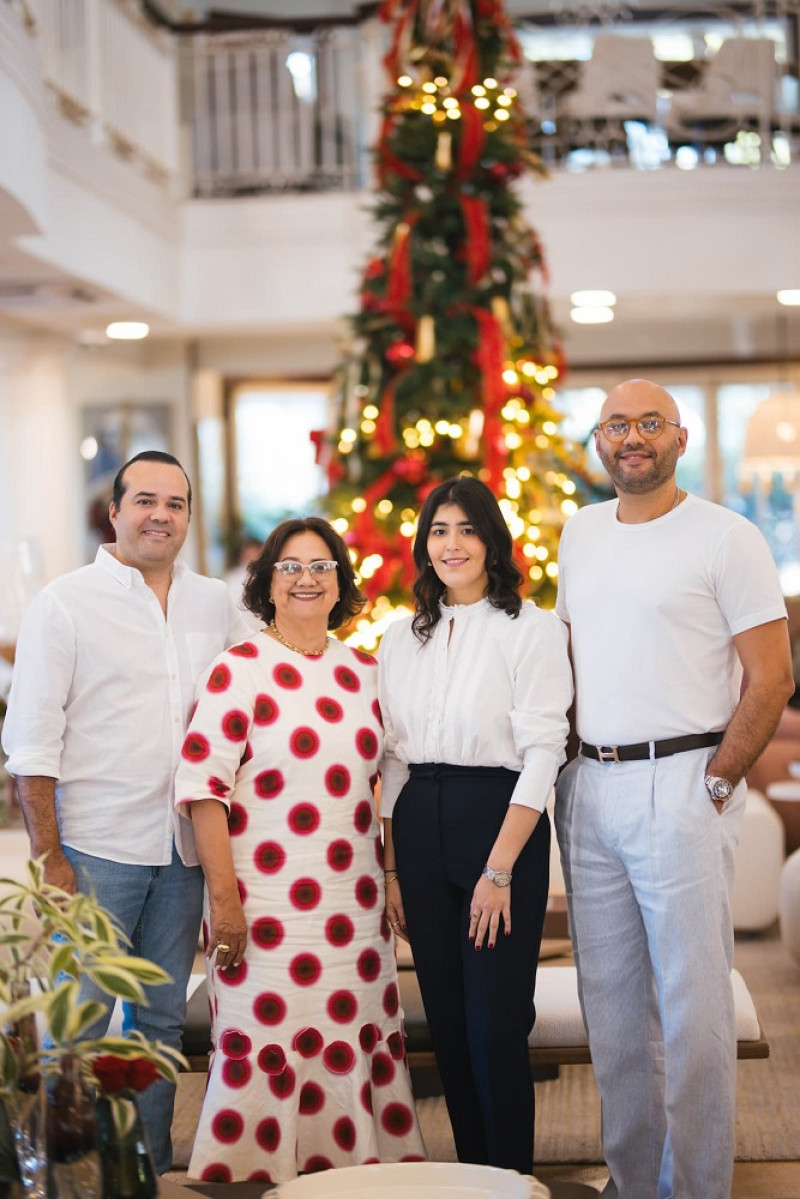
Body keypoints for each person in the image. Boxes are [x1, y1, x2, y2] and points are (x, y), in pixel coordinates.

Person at [555, 379, 794, 1199]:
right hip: (589, 786)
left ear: (681, 437)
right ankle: (630, 1183)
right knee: (614, 1016)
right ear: (599, 440)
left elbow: (772, 677)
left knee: (693, 1014)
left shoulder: (727, 538)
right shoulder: (579, 532)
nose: (633, 437)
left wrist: (719, 781)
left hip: (683, 782)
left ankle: (693, 1188)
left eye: (649, 423)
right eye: (617, 424)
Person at [1, 450, 249, 1174]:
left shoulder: (215, 603)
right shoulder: (66, 603)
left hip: (182, 851)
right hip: (95, 849)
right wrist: (50, 856)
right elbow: (31, 745)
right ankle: (66, 1171)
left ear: (187, 516)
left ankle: (142, 1168)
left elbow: (242, 717)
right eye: (144, 500)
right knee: (82, 1019)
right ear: (114, 512)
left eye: (175, 503)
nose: (159, 515)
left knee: (160, 1018)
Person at [173, 516, 426, 1184]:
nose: (307, 579)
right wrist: (224, 904)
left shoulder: (367, 672)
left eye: (321, 567)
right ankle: (258, 1179)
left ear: (341, 582)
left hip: (355, 910)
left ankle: (351, 1177)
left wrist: (395, 875)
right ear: (267, 583)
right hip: (264, 912)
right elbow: (202, 790)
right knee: (266, 1049)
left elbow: (392, 786)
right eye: (291, 567)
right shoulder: (239, 670)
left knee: (352, 1040)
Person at [378, 476, 572, 1175]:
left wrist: (499, 871)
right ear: (424, 543)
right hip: (420, 827)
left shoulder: (532, 627)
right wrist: (395, 871)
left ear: (491, 539)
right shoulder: (401, 638)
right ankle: (473, 1178)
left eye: (465, 529)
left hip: (499, 823)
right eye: (438, 530)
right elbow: (394, 760)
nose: (451, 543)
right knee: (450, 1025)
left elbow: (544, 750)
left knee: (495, 1023)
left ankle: (511, 1179)